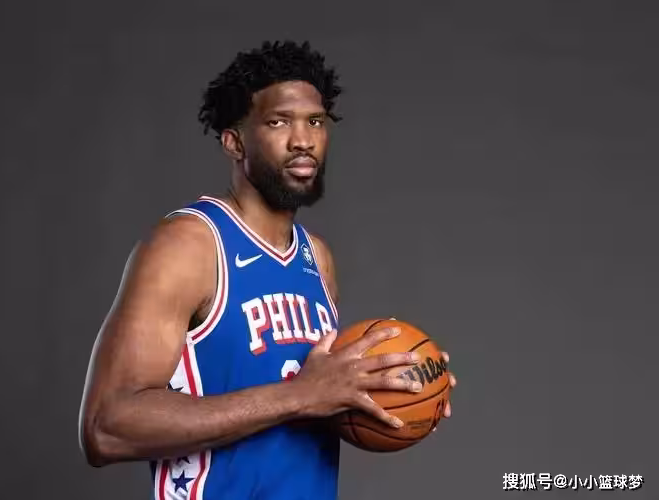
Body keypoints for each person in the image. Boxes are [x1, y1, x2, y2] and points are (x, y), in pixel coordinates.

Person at [78, 40, 456, 500]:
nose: (303, 140)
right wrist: (299, 395)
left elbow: (316, 406)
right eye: (279, 121)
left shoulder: (317, 258)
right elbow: (106, 427)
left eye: (315, 121)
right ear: (234, 142)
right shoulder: (189, 245)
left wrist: (403, 388)